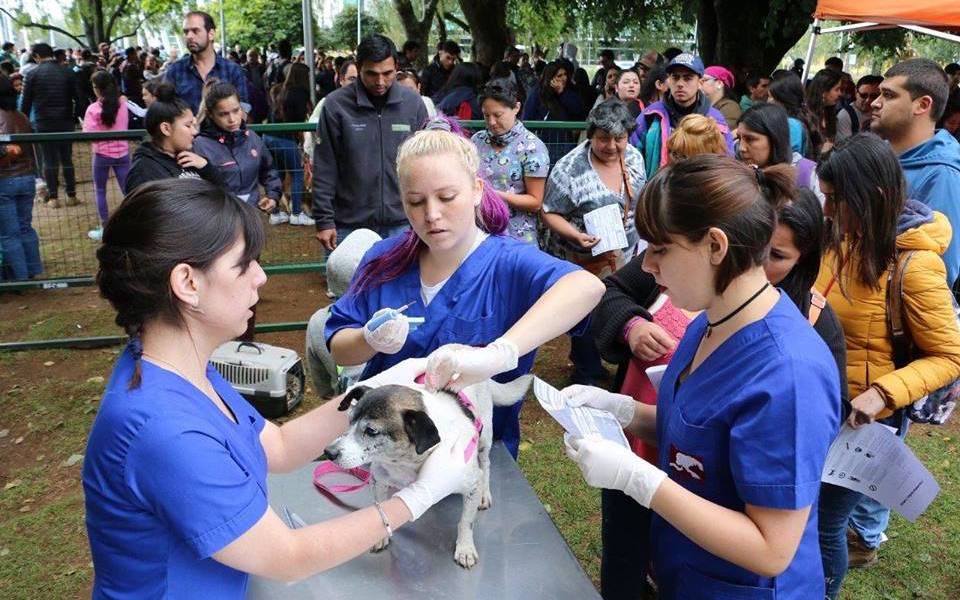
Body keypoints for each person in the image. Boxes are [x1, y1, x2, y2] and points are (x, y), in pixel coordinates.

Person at [83, 177, 472, 597]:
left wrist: (384, 384)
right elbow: (285, 557)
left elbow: (280, 447)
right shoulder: (162, 429)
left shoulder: (181, 370)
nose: (261, 277)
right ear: (187, 283)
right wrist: (416, 498)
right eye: (244, 263)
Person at [563, 154, 840, 599]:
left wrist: (641, 480)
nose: (648, 266)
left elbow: (771, 549)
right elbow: (704, 435)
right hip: (687, 573)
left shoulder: (789, 373)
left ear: (715, 245)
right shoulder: (709, 322)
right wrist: (624, 412)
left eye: (660, 249)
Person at [325, 125, 605, 458]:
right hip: (386, 458)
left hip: (474, 456)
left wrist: (497, 354)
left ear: (476, 191)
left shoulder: (508, 263)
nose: (432, 215)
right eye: (415, 202)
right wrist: (368, 340)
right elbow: (339, 349)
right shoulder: (383, 260)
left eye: (447, 197)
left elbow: (587, 287)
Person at [814, 133, 960, 597]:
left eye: (837, 200)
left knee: (824, 527)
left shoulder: (915, 266)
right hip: (822, 408)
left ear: (872, 197)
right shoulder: (839, 240)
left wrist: (883, 393)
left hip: (862, 427)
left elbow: (950, 355)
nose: (827, 211)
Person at [542, 99, 646, 387]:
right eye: (603, 139)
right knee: (585, 313)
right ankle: (586, 370)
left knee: (618, 306)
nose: (612, 146)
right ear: (591, 136)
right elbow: (549, 212)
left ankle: (615, 365)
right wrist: (576, 236)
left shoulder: (635, 158)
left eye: (619, 138)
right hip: (581, 257)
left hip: (623, 253)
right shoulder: (569, 169)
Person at [312, 34, 427, 251]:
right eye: (371, 74)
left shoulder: (413, 104)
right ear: (358, 67)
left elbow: (426, 162)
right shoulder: (336, 105)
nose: (380, 82)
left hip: (404, 224)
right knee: (351, 286)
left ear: (397, 67)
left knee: (402, 286)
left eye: (387, 73)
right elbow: (325, 165)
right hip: (349, 225)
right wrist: (324, 220)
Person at [871, 58, 960, 288]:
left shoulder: (943, 175)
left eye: (889, 95)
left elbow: (936, 275)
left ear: (922, 105)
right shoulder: (884, 156)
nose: (875, 103)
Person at [629, 53, 734, 179]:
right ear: (668, 80)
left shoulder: (715, 120)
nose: (680, 83)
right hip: (657, 192)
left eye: (687, 78)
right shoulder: (650, 115)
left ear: (700, 83)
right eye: (675, 77)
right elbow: (631, 157)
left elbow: (727, 164)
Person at [471, 78, 549, 245]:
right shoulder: (476, 140)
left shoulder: (532, 147)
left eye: (498, 115)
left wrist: (493, 195)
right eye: (486, 115)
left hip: (517, 236)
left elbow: (535, 202)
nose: (492, 122)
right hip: (480, 233)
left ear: (516, 108)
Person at [193, 80, 278, 213]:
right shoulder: (199, 145)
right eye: (223, 114)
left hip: (251, 214)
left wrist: (272, 196)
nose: (232, 119)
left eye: (236, 110)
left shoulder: (253, 138)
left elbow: (269, 170)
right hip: (217, 218)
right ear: (210, 114)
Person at [124, 83, 222, 193]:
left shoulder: (192, 157)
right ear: (166, 128)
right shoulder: (144, 173)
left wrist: (206, 167)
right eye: (188, 125)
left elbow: (223, 194)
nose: (194, 132)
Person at [20, 42, 80, 208]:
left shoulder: (31, 75)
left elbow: (25, 105)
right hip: (66, 121)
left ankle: (53, 198)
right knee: (66, 158)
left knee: (49, 160)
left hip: (43, 123)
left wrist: (24, 123)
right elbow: (79, 98)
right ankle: (71, 196)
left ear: (37, 56)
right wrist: (75, 117)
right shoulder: (67, 72)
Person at [163, 11, 248, 114]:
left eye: (195, 31)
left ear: (211, 34)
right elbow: (164, 109)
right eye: (186, 32)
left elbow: (243, 108)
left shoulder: (232, 70)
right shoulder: (175, 71)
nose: (189, 36)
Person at [737, 102, 824, 202]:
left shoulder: (806, 175)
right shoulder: (740, 177)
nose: (741, 148)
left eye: (750, 139)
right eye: (739, 139)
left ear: (774, 139)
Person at [0, 75, 42, 280]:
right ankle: (33, 270)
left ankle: (19, 277)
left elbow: (10, 151)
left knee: (9, 233)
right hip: (26, 178)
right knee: (25, 227)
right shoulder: (22, 116)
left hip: (5, 180)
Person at [263, 62, 314, 227]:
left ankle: (276, 213)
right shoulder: (301, 92)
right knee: (297, 173)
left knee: (277, 174)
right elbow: (298, 122)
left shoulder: (278, 89)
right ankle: (297, 213)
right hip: (284, 138)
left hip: (268, 137)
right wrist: (302, 141)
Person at [82, 71, 130, 242]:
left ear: (96, 89)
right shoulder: (123, 105)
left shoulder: (93, 109)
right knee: (128, 190)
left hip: (102, 154)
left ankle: (104, 227)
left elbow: (88, 134)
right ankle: (133, 224)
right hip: (123, 153)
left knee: (100, 190)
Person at [522, 61, 586, 165]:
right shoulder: (538, 93)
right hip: (543, 142)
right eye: (559, 75)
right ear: (550, 77)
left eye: (565, 75)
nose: (563, 78)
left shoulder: (571, 91)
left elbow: (579, 112)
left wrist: (562, 93)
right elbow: (528, 117)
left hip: (565, 142)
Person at [769, 73, 818, 158]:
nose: (768, 101)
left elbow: (784, 158)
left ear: (783, 99)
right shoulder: (798, 118)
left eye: (771, 97)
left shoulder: (791, 125)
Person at [805, 69, 843, 156]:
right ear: (823, 91)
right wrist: (821, 152)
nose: (840, 93)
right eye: (837, 89)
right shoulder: (805, 116)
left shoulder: (829, 113)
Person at [836, 75, 881, 142]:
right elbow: (846, 148)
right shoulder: (845, 115)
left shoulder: (880, 111)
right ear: (856, 92)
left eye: (873, 96)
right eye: (863, 95)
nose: (868, 100)